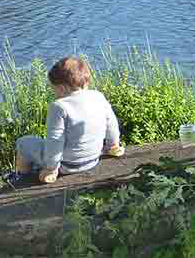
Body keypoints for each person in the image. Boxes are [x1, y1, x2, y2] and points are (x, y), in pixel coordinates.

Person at [14, 56, 124, 184]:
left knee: (23, 143)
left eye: (53, 88)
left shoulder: (59, 107)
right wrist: (113, 144)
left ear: (61, 88)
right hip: (92, 159)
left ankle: (22, 178)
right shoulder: (98, 96)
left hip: (66, 166)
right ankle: (112, 147)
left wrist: (51, 168)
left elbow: (55, 141)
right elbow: (111, 124)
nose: (54, 92)